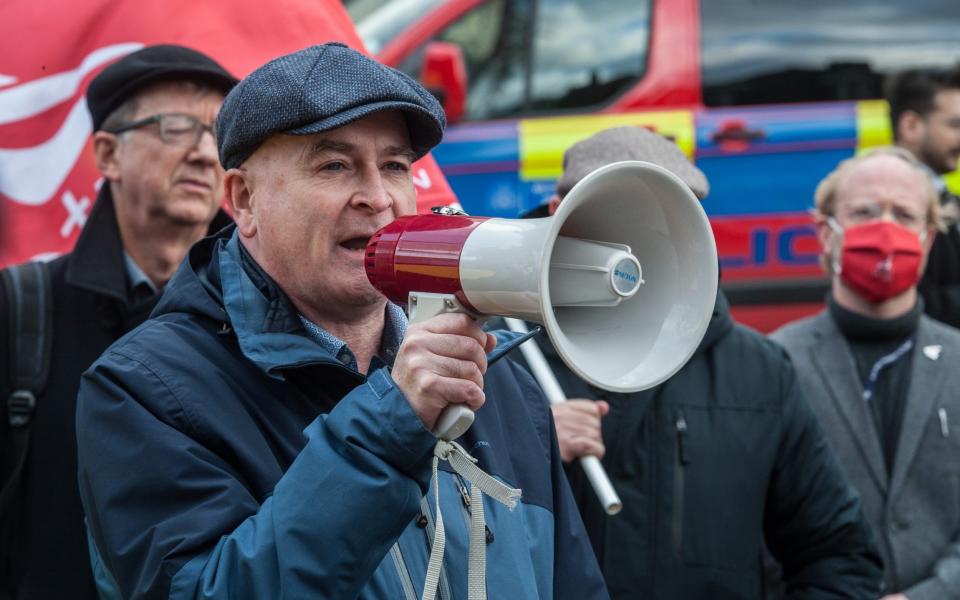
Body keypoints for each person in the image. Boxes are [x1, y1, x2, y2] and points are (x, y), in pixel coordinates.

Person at [75, 42, 606, 599]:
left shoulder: (498, 384)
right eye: (334, 165)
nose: (377, 198)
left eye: (396, 166)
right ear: (244, 199)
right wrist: (392, 426)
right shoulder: (143, 390)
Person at [523, 126, 883, 599]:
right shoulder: (503, 360)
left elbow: (838, 556)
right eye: (614, 215)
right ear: (557, 214)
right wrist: (525, 450)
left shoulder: (759, 372)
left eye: (661, 220)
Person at [0, 45, 236, 600]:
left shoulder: (267, 317)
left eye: (219, 135)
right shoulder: (22, 308)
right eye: (177, 128)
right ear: (107, 154)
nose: (206, 154)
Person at [772, 146, 960, 600]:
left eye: (904, 214)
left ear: (928, 239)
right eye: (865, 212)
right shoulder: (775, 362)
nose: (885, 229)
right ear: (825, 233)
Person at [886, 67, 960, 327]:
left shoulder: (939, 192)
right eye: (955, 125)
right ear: (911, 126)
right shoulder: (893, 207)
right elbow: (922, 303)